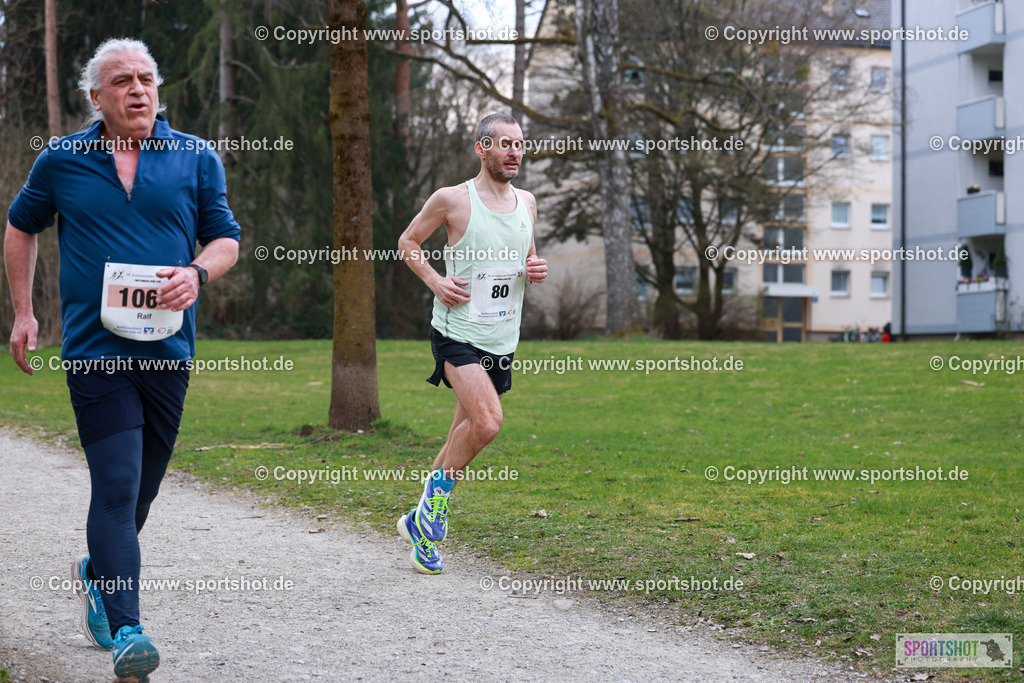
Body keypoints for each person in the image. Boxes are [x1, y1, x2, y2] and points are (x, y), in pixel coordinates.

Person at [5, 38, 240, 680]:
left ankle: (98, 571)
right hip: (95, 351)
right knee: (114, 484)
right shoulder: (63, 160)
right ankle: (129, 629)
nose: (138, 89)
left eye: (146, 78)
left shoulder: (194, 157)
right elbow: (20, 226)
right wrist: (24, 314)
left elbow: (225, 239)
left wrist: (197, 273)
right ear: (96, 97)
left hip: (168, 349)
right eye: (122, 81)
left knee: (143, 488)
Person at [395, 113, 547, 574]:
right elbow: (408, 241)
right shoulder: (452, 200)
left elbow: (524, 256)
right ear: (482, 148)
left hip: (502, 338)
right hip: (457, 334)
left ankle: (419, 525)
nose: (514, 152)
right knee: (487, 423)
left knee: (460, 434)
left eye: (519, 145)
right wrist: (435, 281)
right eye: (504, 144)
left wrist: (534, 267)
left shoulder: (528, 202)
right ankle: (431, 511)